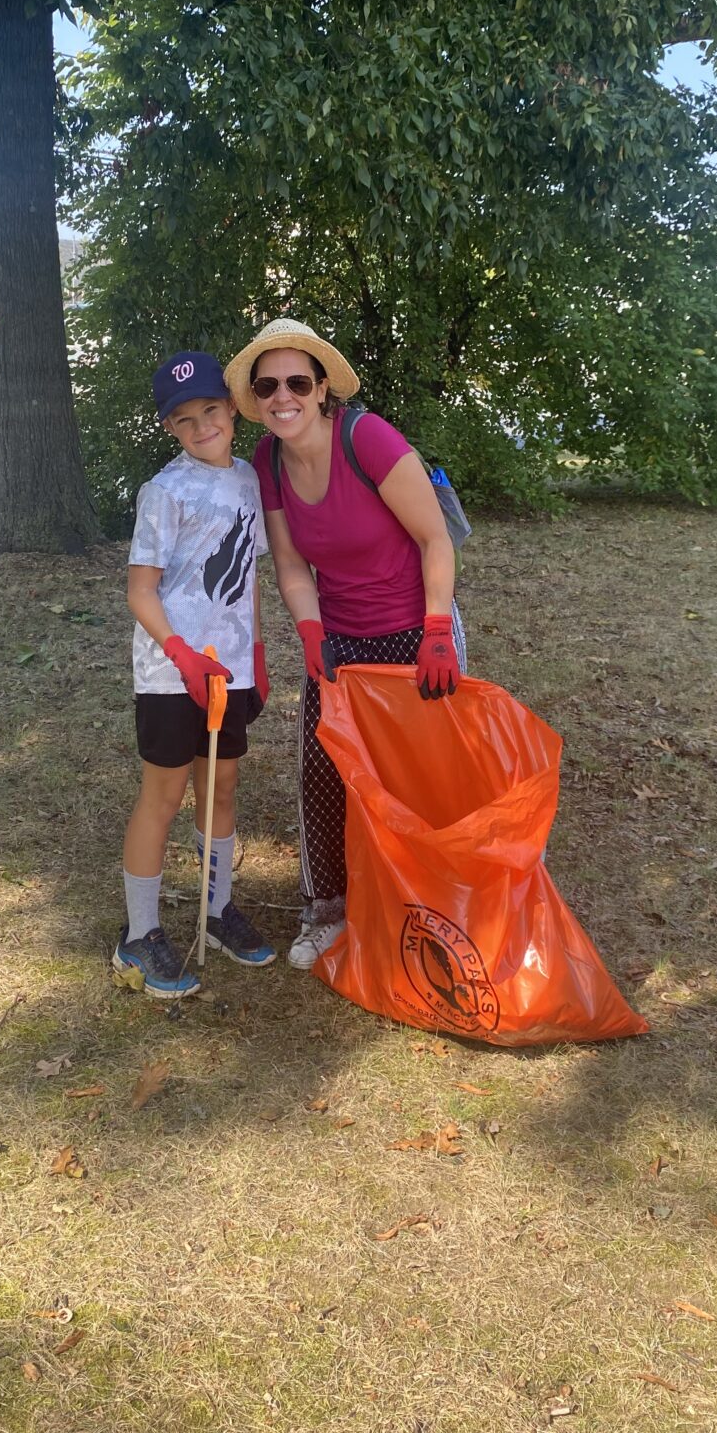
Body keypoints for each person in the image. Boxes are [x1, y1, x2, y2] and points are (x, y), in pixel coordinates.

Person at [223, 319, 465, 970]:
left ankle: (440, 904)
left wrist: (438, 631)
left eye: (297, 381)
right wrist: (310, 632)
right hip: (342, 640)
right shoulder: (270, 462)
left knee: (425, 777)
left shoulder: (369, 439)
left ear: (323, 388)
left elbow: (435, 540)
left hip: (420, 632)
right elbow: (292, 565)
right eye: (268, 385)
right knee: (326, 771)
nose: (283, 396)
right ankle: (327, 911)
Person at [115, 350, 277, 999]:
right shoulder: (165, 492)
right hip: (170, 672)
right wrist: (181, 654)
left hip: (230, 668)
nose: (201, 425)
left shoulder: (248, 482)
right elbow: (140, 591)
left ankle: (216, 911)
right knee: (165, 794)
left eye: (211, 410)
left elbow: (250, 576)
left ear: (233, 408)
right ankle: (140, 935)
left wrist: (258, 655)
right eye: (184, 419)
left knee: (223, 786)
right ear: (170, 429)